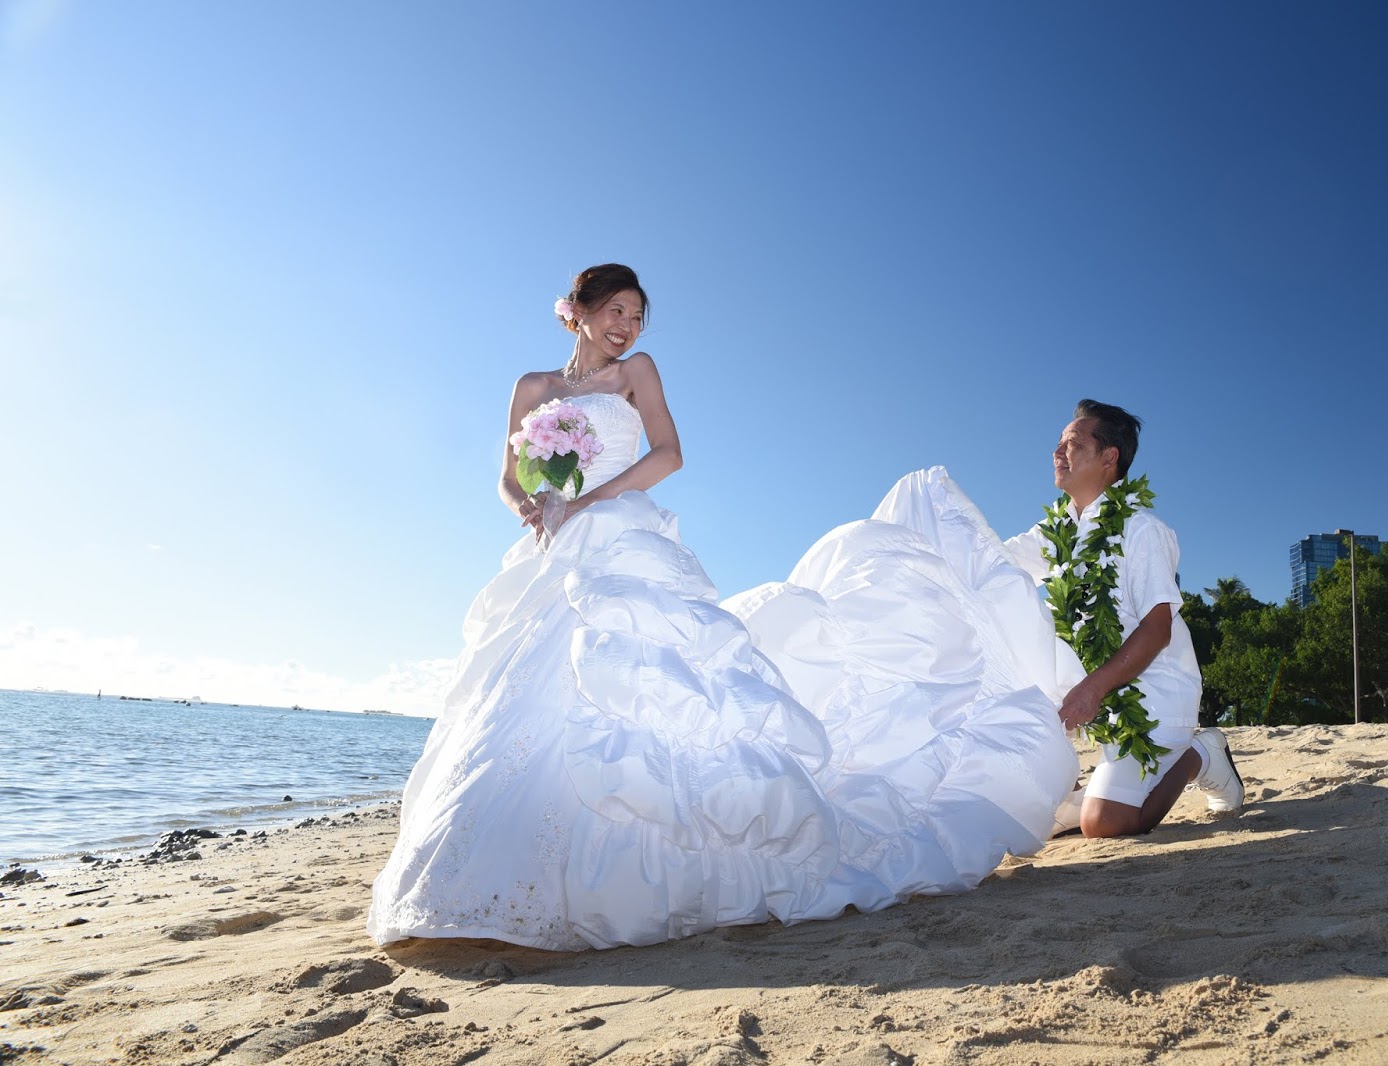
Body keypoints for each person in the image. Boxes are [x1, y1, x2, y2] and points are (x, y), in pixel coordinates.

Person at [367, 264, 1082, 951]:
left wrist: (590, 498)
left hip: (619, 534)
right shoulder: (532, 385)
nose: (627, 326)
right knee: (522, 694)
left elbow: (669, 453)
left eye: (637, 316)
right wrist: (532, 502)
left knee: (642, 682)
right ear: (578, 311)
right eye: (616, 311)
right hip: (554, 548)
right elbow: (504, 474)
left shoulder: (636, 374)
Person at [1002, 400, 1244, 838]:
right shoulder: (1056, 534)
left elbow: (1157, 630)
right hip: (1101, 703)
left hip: (1156, 693)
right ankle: (1087, 790)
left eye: (1073, 443)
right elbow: (993, 565)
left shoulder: (1141, 529)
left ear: (1109, 458)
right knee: (1032, 813)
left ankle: (1201, 754)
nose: (1058, 453)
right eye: (1058, 443)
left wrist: (1090, 688)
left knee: (1106, 824)